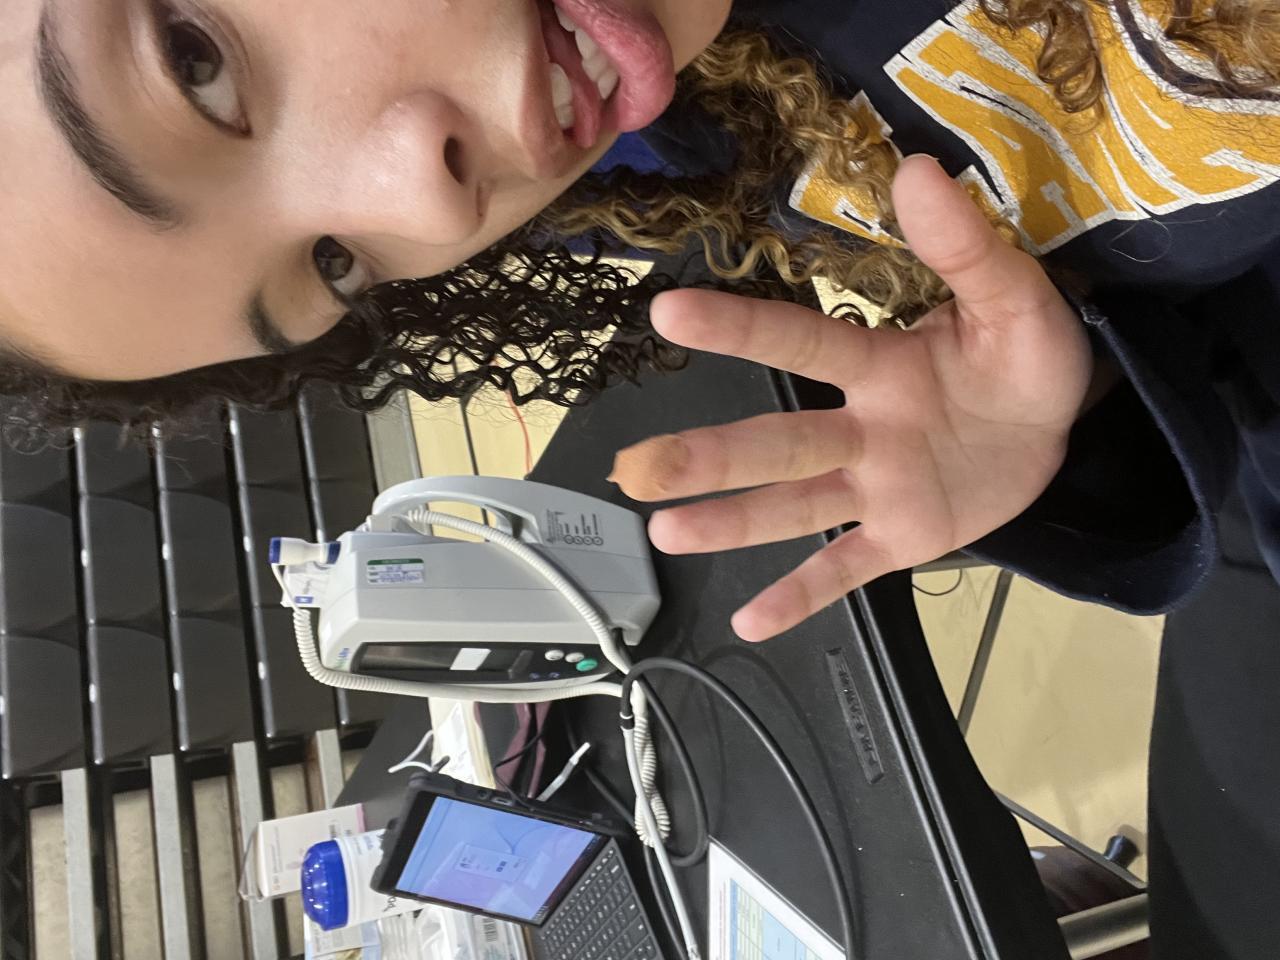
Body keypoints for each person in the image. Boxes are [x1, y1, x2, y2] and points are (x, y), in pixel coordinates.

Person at [2, 0, 1277, 956]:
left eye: (195, 59)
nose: (428, 213)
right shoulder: (678, 117)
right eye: (334, 263)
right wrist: (1071, 395)